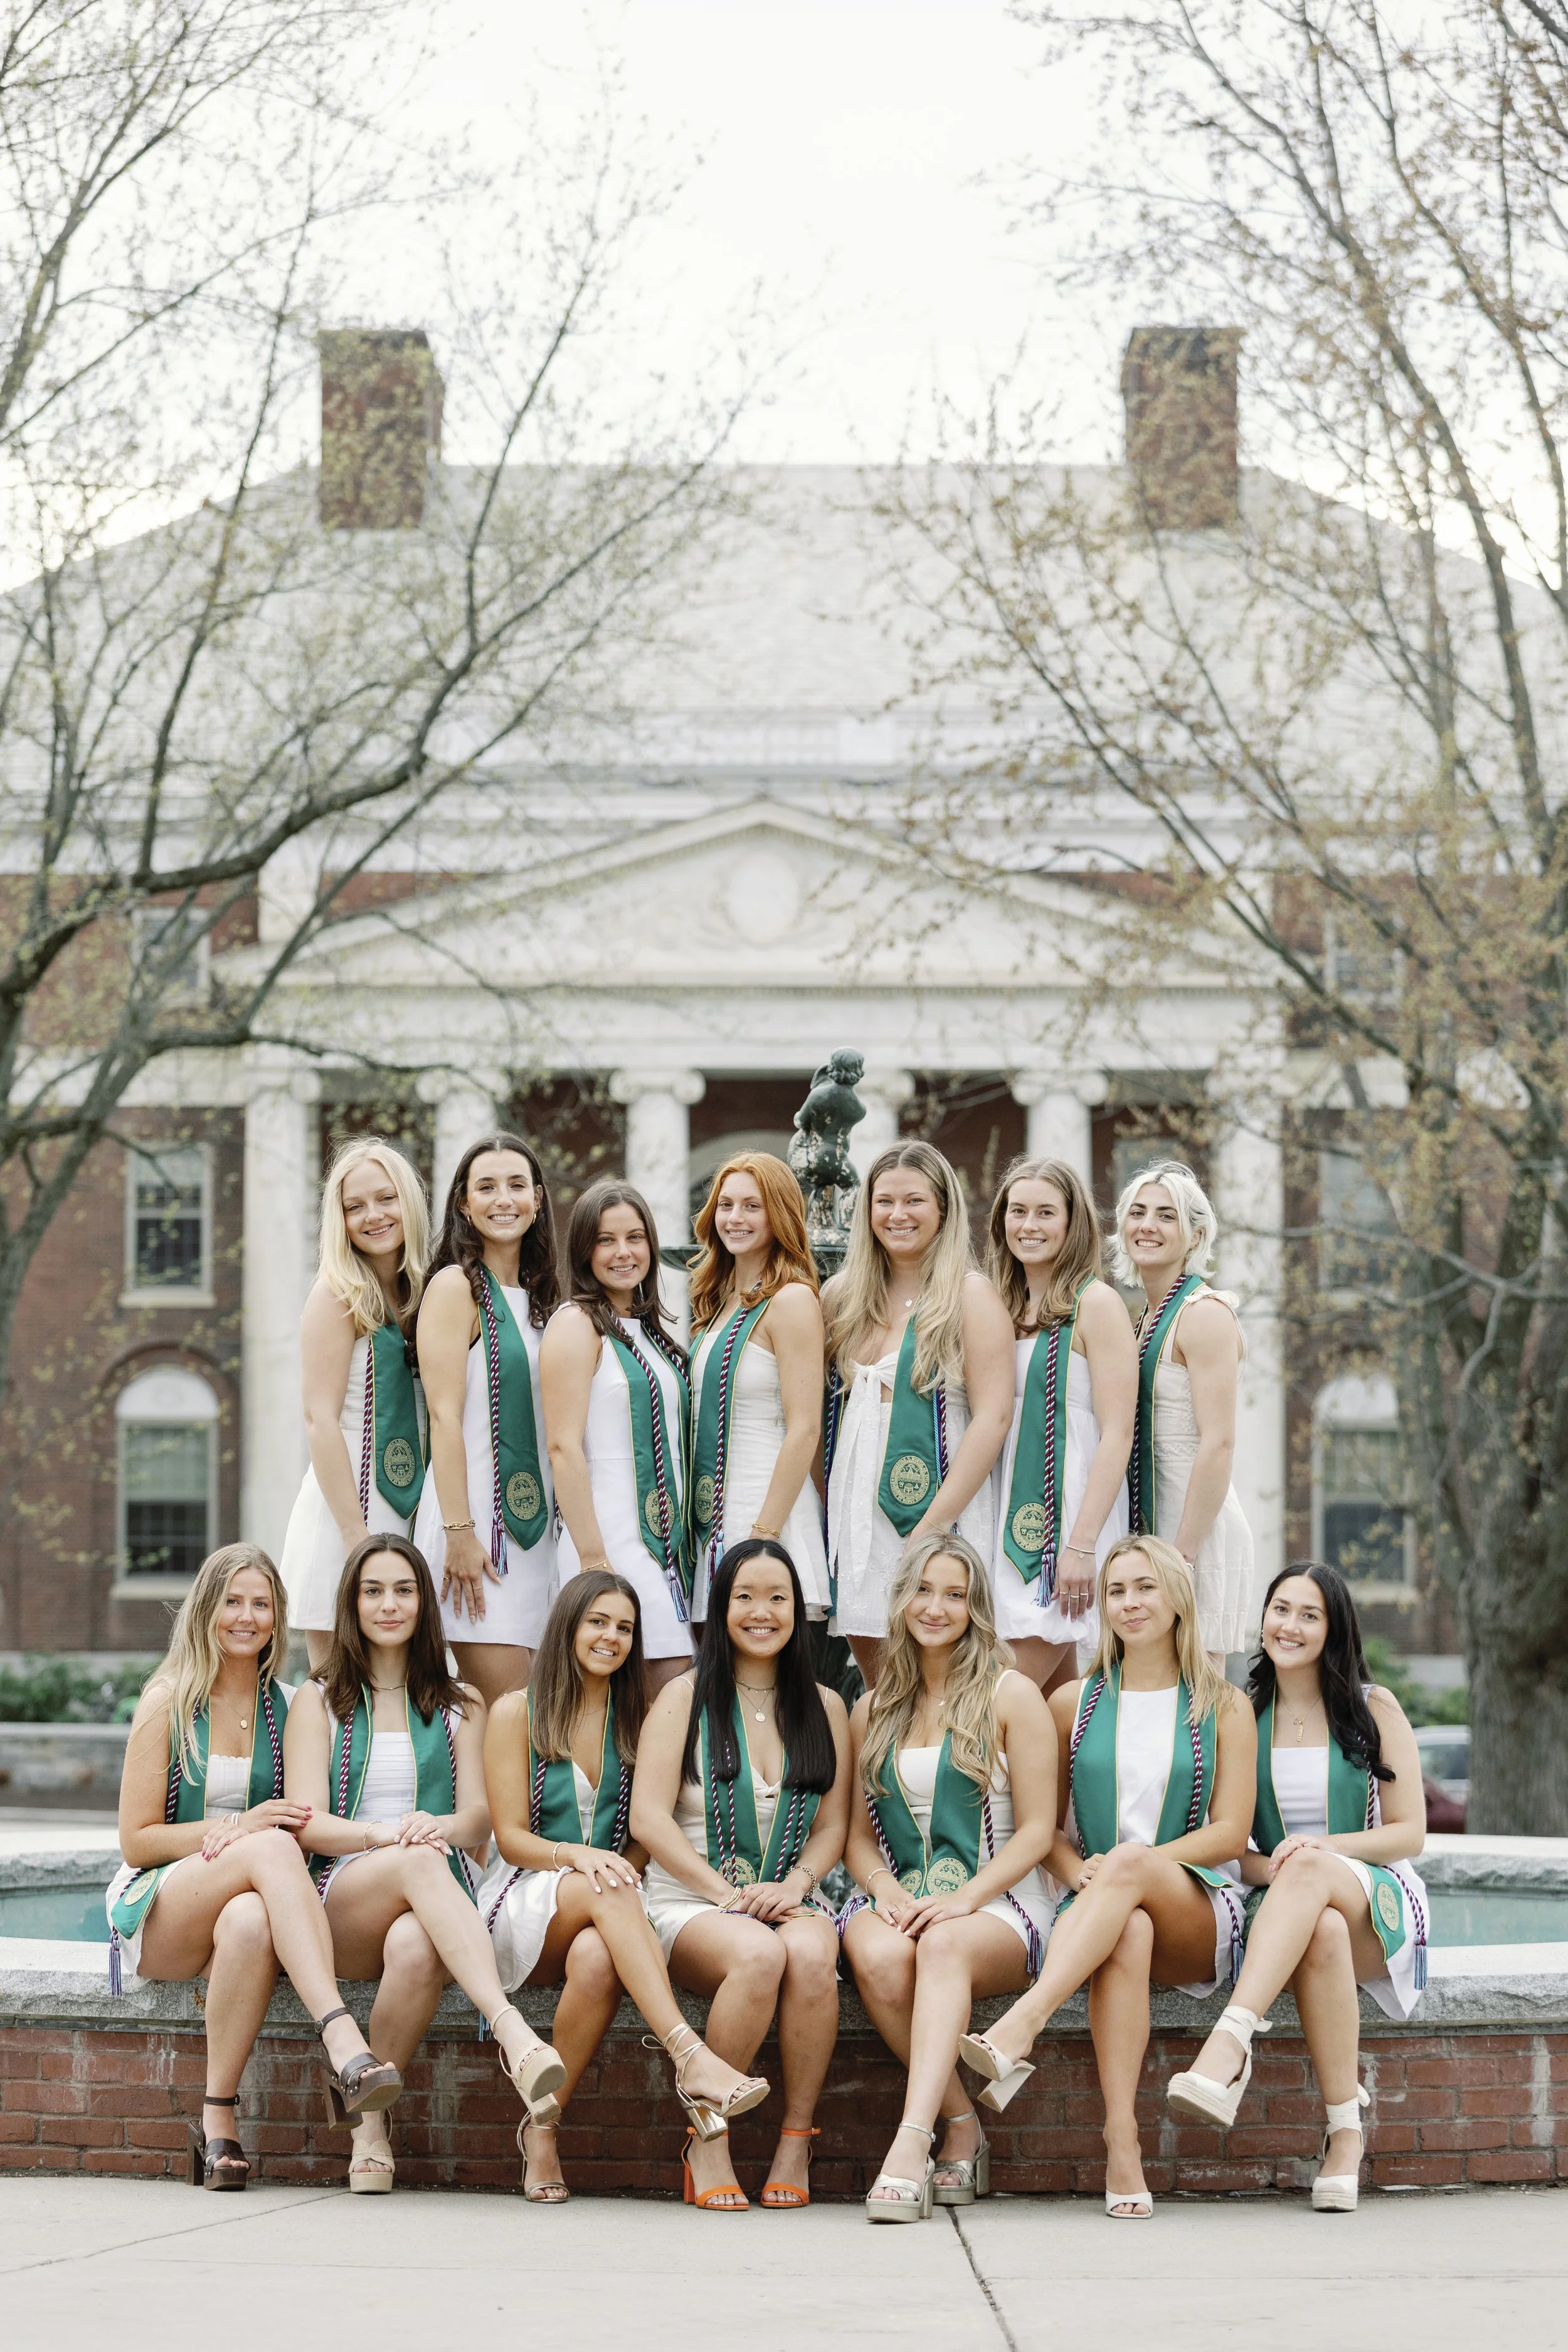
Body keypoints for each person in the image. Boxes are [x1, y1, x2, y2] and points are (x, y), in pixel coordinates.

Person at [955, 1535, 1255, 2218]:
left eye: (1145, 1587)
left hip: (1197, 1904)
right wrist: (1088, 1875)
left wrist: (1134, 1866)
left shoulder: (1221, 1705)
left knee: (1132, 1881)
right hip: (1102, 1912)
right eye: (1117, 1590)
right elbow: (1049, 1834)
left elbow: (1229, 1833)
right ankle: (1122, 2139)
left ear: (1178, 1597)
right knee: (1127, 1930)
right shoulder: (1072, 1704)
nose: (1130, 1603)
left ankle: (1020, 2026)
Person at [107, 1544, 400, 2190]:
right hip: (165, 1900)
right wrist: (235, 1830)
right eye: (233, 1602)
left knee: (248, 1921)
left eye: (261, 1604)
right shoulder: (168, 1700)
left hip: (248, 1901)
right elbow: (137, 1841)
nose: (247, 1617)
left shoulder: (292, 1706)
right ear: (206, 1610)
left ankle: (218, 2126)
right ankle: (344, 2041)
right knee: (269, 1844)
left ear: (278, 1617)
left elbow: (301, 1822)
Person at [284, 1532, 566, 2193]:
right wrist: (387, 1837)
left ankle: (369, 2128)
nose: (389, 1604)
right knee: (417, 1864)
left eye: (404, 1590)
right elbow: (308, 1824)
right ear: (352, 1603)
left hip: (435, 1895)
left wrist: (430, 1826)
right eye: (373, 1591)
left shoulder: (457, 1703)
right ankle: (514, 2034)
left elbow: (476, 1820)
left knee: (415, 1947)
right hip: (345, 1895)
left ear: (424, 1603)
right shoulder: (318, 1700)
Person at [479, 1570, 771, 2202]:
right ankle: (687, 2052)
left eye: (624, 1627)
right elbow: (508, 1836)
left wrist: (616, 1864)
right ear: (568, 1626)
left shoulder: (637, 1717)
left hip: (608, 1906)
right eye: (597, 1622)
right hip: (527, 1892)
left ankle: (543, 2129)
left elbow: (644, 1827)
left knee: (595, 1961)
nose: (611, 1637)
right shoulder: (516, 1711)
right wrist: (580, 1857)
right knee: (608, 1892)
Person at [1165, 1562, 1428, 2212]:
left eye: (1309, 1615)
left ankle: (1229, 2042)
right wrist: (1282, 1868)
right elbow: (1236, 1852)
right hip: (1283, 1903)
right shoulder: (1240, 1713)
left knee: (1325, 1895)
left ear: (1333, 1630)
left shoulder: (1373, 1707)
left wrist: (1317, 1851)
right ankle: (1344, 2136)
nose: (1289, 1625)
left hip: (1378, 1897)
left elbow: (1408, 1833)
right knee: (1322, 1929)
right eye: (1280, 1609)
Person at [840, 1534, 1056, 2222]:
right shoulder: (871, 1709)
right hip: (905, 1895)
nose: (936, 1607)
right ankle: (961, 2123)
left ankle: (910, 2144)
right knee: (872, 1953)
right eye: (923, 1591)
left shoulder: (1010, 1694)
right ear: (901, 1601)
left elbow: (1037, 1831)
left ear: (976, 1608)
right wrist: (891, 1893)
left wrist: (962, 1900)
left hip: (997, 1903)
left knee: (938, 1946)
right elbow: (851, 1838)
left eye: (955, 1594)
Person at [632, 1539, 850, 2211]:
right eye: (744, 1597)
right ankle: (709, 2136)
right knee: (757, 1955)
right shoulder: (683, 1696)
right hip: (690, 1900)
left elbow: (833, 1828)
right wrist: (724, 1895)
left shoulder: (826, 1706)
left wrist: (794, 1887)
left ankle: (794, 2141)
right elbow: (648, 1819)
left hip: (781, 1898)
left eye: (777, 1598)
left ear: (798, 1610)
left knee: (814, 1952)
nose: (762, 1612)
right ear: (721, 1608)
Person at [824, 1142, 1015, 1687]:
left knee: (945, 1675)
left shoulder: (970, 1296)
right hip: (858, 1506)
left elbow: (993, 1418)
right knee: (881, 1680)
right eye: (884, 1201)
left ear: (944, 1210)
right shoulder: (842, 1297)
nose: (898, 1215)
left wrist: (931, 1528)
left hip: (941, 1502)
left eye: (914, 1201)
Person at [413, 1134, 559, 1708]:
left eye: (517, 1185)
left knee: (537, 1720)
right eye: (487, 1187)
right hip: (474, 1536)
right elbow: (444, 1418)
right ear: (464, 1204)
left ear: (539, 1199)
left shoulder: (545, 1300)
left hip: (538, 1539)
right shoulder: (456, 1288)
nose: (505, 1199)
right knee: (510, 1713)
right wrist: (459, 1532)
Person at [280, 1139, 431, 1673]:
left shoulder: (425, 1291)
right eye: (354, 1206)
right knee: (341, 1694)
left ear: (408, 1201)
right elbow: (319, 1419)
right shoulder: (336, 1294)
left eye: (386, 1199)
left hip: (414, 1505)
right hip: (348, 1507)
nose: (374, 1216)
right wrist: (354, 1537)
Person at [986, 1155, 1135, 1692]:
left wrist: (1082, 1544)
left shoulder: (1096, 1304)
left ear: (1073, 1225)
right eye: (1018, 1211)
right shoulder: (999, 1304)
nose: (1029, 1225)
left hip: (1067, 1516)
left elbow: (1118, 1432)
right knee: (1055, 1704)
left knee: (1003, 1691)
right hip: (1005, 1507)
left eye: (1046, 1213)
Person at [541, 1178, 694, 1693]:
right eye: (606, 1240)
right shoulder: (576, 1323)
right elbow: (562, 1447)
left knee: (669, 1696)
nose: (623, 1252)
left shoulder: (651, 1331)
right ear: (585, 1251)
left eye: (635, 1237)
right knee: (652, 1687)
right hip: (607, 1540)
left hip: (666, 1550)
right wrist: (592, 1561)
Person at [1115, 1162, 1254, 1661]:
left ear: (1195, 1236)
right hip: (1150, 1525)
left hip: (1193, 1530)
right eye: (1138, 1212)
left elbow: (1219, 1442)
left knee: (1199, 1697)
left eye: (1165, 1216)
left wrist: (1183, 1556)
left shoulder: (1205, 1315)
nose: (1147, 1225)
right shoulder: (1144, 1319)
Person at [686, 1152, 828, 1623]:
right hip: (713, 1513)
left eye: (752, 1206)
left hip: (765, 1507)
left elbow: (806, 1428)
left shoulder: (791, 1301)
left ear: (779, 1215)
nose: (735, 1218)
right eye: (726, 1205)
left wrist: (764, 1534)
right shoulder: (715, 1305)